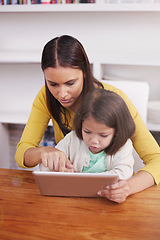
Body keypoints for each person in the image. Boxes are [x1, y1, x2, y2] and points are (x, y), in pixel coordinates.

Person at [15, 35, 160, 203]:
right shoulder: (45, 97)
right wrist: (44, 152)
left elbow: (156, 159)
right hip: (69, 193)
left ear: (84, 72)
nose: (61, 94)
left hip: (113, 196)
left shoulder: (115, 100)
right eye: (53, 84)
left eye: (70, 83)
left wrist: (127, 187)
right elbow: (21, 153)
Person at [40, 88, 135, 182]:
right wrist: (58, 169)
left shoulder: (123, 145)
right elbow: (45, 168)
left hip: (106, 196)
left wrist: (82, 177)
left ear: (117, 132)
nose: (94, 141)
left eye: (103, 135)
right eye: (87, 132)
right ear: (81, 124)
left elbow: (124, 174)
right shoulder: (72, 139)